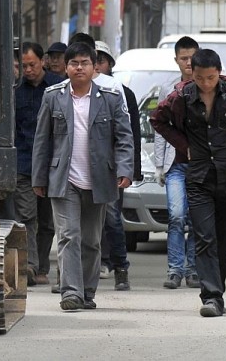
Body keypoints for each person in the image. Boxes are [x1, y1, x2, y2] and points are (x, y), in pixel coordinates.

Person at [150, 49, 226, 317]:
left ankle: (218, 290)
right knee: (204, 236)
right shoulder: (180, 95)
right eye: (201, 78)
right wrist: (184, 146)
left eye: (211, 77)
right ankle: (211, 296)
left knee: (224, 238)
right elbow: (157, 119)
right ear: (192, 73)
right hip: (198, 174)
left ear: (220, 72)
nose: (206, 83)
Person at [32, 42, 134, 311]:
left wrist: (125, 169)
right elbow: (42, 140)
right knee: (68, 235)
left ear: (95, 67)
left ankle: (87, 292)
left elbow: (124, 138)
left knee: (91, 241)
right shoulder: (53, 96)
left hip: (99, 180)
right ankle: (71, 292)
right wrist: (38, 177)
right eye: (74, 63)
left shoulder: (110, 99)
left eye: (85, 63)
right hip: (63, 180)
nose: (79, 67)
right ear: (66, 68)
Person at [14, 42, 63, 286]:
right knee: (26, 217)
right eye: (23, 66)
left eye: (32, 65)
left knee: (47, 220)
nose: (28, 70)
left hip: (52, 163)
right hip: (24, 163)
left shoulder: (57, 87)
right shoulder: (16, 90)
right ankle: (30, 266)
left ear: (42, 62)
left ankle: (42, 264)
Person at [153, 36, 200, 290]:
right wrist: (159, 165)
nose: (189, 63)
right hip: (175, 166)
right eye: (184, 58)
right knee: (176, 215)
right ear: (176, 60)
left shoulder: (208, 86)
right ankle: (174, 270)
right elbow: (160, 127)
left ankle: (193, 269)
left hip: (200, 165)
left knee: (196, 218)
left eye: (193, 57)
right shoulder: (168, 89)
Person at [95, 41, 141, 291]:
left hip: (111, 166)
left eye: (101, 60)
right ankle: (78, 272)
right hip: (81, 167)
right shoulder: (72, 91)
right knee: (78, 223)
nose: (97, 66)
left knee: (112, 219)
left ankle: (120, 266)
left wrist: (130, 169)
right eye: (94, 60)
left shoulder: (120, 93)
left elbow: (129, 134)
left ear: (111, 64)